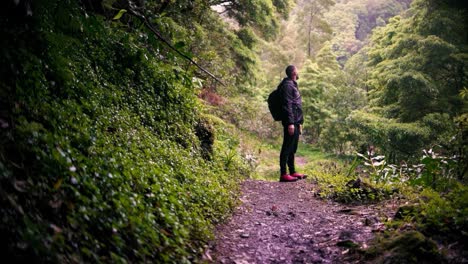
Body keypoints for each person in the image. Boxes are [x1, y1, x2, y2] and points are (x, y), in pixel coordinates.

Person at [279, 65, 306, 182]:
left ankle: (293, 171)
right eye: (297, 69)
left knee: (292, 148)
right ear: (294, 72)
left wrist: (299, 122)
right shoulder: (287, 86)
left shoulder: (293, 85)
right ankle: (283, 174)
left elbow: (296, 105)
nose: (298, 71)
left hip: (295, 121)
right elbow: (288, 105)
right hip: (290, 122)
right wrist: (290, 123)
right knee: (287, 147)